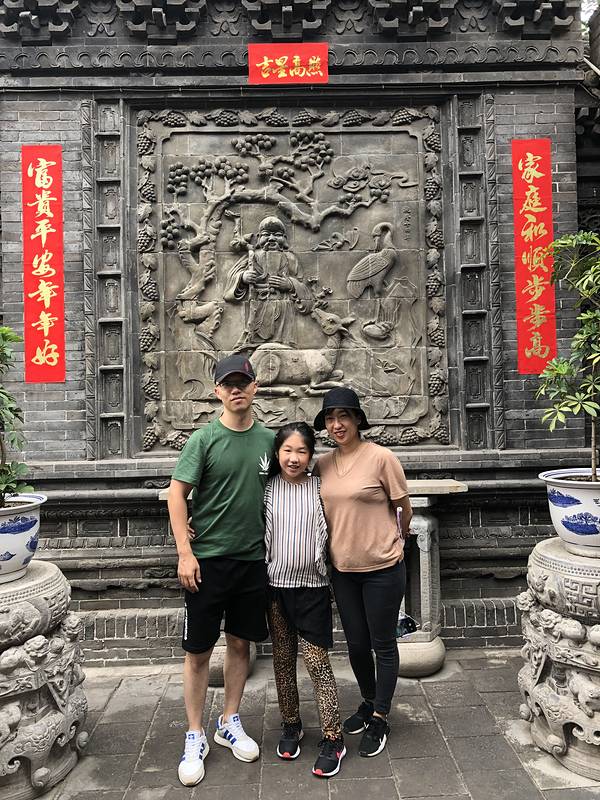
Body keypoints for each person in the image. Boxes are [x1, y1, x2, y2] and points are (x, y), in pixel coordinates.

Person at [167, 354, 275, 787]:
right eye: (228, 384)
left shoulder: (269, 441)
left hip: (252, 561)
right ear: (217, 392)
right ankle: (195, 733)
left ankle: (229, 720)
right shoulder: (204, 440)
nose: (236, 390)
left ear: (254, 387)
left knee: (240, 644)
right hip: (207, 562)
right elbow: (177, 495)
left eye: (242, 383)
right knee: (197, 652)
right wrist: (185, 552)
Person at [313, 387, 412, 758]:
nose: (337, 424)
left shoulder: (381, 458)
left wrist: (396, 540)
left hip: (382, 568)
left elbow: (403, 508)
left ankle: (381, 716)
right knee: (355, 643)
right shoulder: (322, 465)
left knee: (382, 643)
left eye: (344, 416)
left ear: (357, 419)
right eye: (330, 418)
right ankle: (369, 701)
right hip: (343, 570)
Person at [264, 422, 346, 778]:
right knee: (283, 660)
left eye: (301, 451)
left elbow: (347, 515)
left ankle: (333, 737)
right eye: (287, 450)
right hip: (275, 588)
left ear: (311, 455)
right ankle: (291, 724)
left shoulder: (320, 487)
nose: (294, 458)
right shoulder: (266, 488)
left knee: (316, 661)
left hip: (313, 588)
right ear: (277, 453)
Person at [224, 215, 313, 349]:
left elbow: (304, 289)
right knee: (253, 343)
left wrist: (290, 284)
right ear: (259, 237)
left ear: (284, 238)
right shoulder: (253, 256)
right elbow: (231, 280)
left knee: (283, 348)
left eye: (277, 235)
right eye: (266, 234)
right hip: (258, 305)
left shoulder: (290, 259)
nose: (271, 238)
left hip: (283, 310)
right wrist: (243, 277)